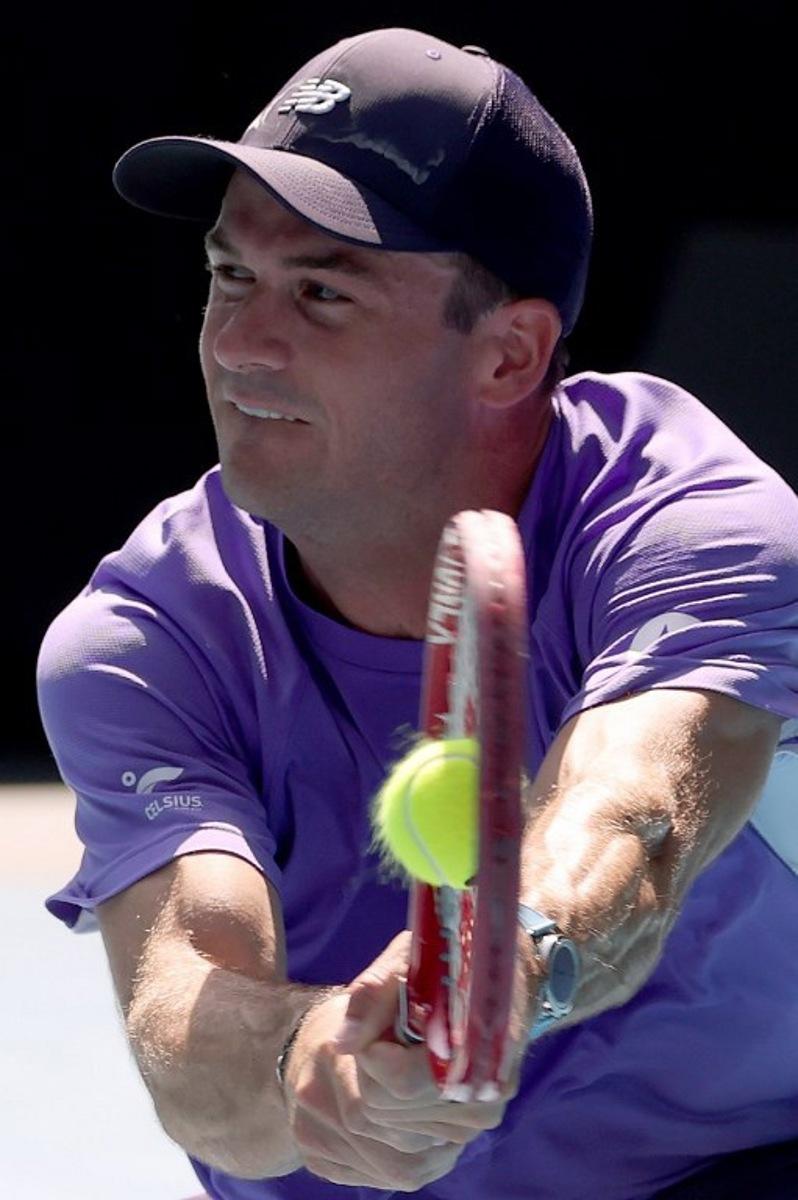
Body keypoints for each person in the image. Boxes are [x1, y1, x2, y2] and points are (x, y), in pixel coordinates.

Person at [37, 26, 798, 1200]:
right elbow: (189, 1011)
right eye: (230, 276)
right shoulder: (145, 638)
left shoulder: (691, 523)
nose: (238, 344)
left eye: (322, 292)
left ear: (509, 356)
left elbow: (634, 806)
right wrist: (311, 1057)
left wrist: (514, 964)